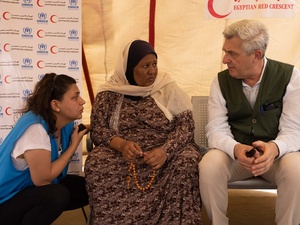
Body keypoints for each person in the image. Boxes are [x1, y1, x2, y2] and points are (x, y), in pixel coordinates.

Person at [84, 40, 202, 225]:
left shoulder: (167, 88)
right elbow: (98, 129)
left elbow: (186, 126)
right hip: (124, 154)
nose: (152, 71)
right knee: (96, 163)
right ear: (129, 69)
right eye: (145, 66)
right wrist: (121, 145)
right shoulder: (109, 94)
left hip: (166, 152)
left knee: (186, 161)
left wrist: (165, 151)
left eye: (154, 64)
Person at [199, 19, 300, 225]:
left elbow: (294, 129)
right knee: (209, 165)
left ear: (257, 55)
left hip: (276, 158)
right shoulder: (220, 81)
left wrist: (275, 148)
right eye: (224, 51)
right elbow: (215, 128)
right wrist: (235, 149)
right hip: (236, 157)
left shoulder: (291, 77)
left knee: (297, 168)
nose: (225, 59)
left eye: (232, 54)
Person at [0, 73, 89, 225]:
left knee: (88, 187)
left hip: (24, 192)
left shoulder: (63, 124)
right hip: (5, 201)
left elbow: (82, 129)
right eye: (75, 97)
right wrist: (73, 145)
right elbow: (42, 180)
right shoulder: (36, 128)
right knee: (56, 195)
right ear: (55, 105)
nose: (83, 101)